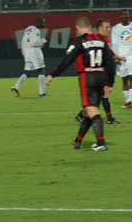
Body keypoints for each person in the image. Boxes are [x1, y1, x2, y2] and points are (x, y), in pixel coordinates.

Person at [45, 17, 115, 151]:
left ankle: (101, 143)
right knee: (87, 111)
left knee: (92, 110)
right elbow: (110, 61)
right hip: (101, 76)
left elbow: (67, 60)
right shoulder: (101, 40)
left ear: (78, 27)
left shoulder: (80, 41)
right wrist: (110, 82)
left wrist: (52, 74)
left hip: (87, 76)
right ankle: (78, 140)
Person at [74, 18, 126, 125]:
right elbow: (110, 55)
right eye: (106, 27)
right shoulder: (100, 39)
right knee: (103, 95)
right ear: (99, 28)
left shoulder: (104, 39)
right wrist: (120, 58)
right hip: (100, 72)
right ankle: (108, 118)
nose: (109, 29)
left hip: (101, 72)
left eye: (109, 26)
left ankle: (85, 116)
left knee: (100, 95)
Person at [11, 17, 50, 97]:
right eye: (42, 22)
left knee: (28, 72)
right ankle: (41, 92)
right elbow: (35, 43)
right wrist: (43, 40)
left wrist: (24, 53)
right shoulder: (36, 30)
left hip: (27, 51)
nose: (43, 24)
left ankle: (15, 87)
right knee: (41, 70)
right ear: (38, 22)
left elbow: (24, 42)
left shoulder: (28, 29)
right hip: (34, 52)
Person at [111, 9, 132, 109]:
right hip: (121, 56)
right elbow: (114, 44)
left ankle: (130, 101)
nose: (125, 16)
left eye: (127, 14)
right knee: (124, 80)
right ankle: (127, 100)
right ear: (120, 16)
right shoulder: (116, 29)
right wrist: (117, 58)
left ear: (129, 15)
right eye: (123, 15)